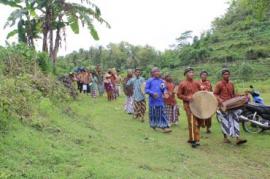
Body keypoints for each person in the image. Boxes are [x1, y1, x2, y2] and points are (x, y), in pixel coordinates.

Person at [214, 69, 247, 145]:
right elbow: (215, 94)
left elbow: (233, 95)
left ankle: (238, 138)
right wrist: (220, 100)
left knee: (235, 121)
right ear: (222, 76)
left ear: (229, 75)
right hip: (222, 107)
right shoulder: (219, 84)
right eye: (225, 74)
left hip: (232, 106)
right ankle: (225, 138)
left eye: (228, 74)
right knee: (224, 122)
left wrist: (241, 95)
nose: (226, 75)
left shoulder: (231, 83)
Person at [177, 67, 202, 148]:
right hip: (188, 105)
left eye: (192, 72)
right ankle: (194, 140)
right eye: (189, 72)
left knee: (197, 122)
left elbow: (201, 93)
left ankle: (192, 138)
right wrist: (187, 98)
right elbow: (179, 95)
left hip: (197, 104)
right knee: (192, 121)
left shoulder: (197, 83)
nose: (192, 74)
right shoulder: (182, 84)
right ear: (186, 74)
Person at [145, 67, 172, 133]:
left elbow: (163, 89)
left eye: (158, 71)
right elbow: (146, 90)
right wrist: (152, 93)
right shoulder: (149, 80)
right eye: (155, 71)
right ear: (152, 73)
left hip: (160, 101)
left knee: (162, 113)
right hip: (152, 101)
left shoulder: (162, 81)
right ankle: (153, 125)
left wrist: (165, 93)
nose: (157, 72)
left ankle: (164, 127)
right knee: (153, 114)